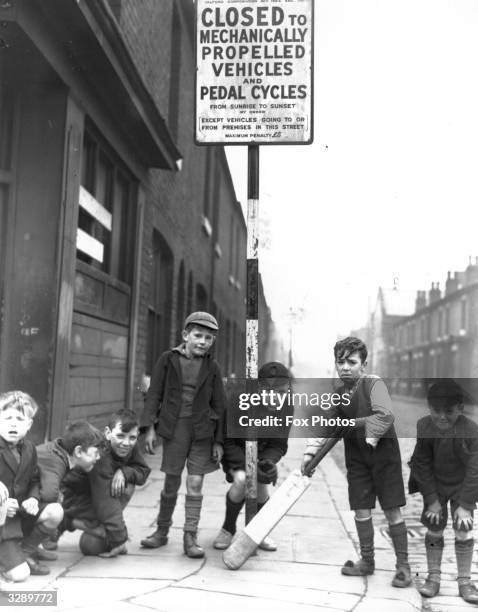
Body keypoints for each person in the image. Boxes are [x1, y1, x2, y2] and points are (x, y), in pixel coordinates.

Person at [301, 337, 411, 588]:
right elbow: (328, 425)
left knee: (392, 508)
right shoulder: (338, 393)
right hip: (357, 457)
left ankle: (403, 566)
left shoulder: (374, 384)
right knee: (361, 508)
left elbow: (385, 415)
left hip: (383, 455)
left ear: (363, 364)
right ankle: (367, 561)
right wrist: (311, 456)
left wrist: (352, 424)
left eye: (352, 362)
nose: (345, 367)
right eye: (340, 362)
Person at [140, 312, 225, 558]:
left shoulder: (212, 367)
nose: (203, 342)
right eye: (198, 335)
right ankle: (162, 531)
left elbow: (220, 405)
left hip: (202, 433)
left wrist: (219, 441)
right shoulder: (168, 360)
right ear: (185, 335)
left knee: (195, 482)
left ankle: (190, 536)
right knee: (171, 481)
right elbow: (154, 394)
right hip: (174, 429)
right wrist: (149, 429)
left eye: (209, 338)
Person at [409, 379, 478, 604]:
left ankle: (465, 581)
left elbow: (475, 468)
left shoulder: (470, 429)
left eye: (448, 412)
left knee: (464, 529)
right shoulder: (424, 426)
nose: (441, 417)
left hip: (462, 485)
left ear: (461, 408)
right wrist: (431, 500)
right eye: (435, 411)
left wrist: (466, 505)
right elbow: (421, 463)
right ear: (428, 408)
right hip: (436, 484)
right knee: (434, 526)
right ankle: (433, 577)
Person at [213, 361, 291, 551]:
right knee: (242, 480)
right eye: (268, 392)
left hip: (262, 453)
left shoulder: (287, 406)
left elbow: (279, 443)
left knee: (261, 485)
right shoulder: (238, 400)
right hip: (237, 453)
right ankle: (228, 528)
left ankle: (258, 532)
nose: (275, 398)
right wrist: (249, 466)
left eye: (281, 393)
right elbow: (229, 441)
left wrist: (268, 461)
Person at [60, 409, 151, 557]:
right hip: (73, 499)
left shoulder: (129, 446)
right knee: (90, 546)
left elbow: (143, 471)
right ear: (108, 433)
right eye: (120, 436)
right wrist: (119, 540)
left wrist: (124, 472)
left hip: (94, 494)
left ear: (137, 436)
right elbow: (105, 501)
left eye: (132, 438)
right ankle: (67, 520)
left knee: (127, 483)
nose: (126, 443)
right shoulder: (100, 457)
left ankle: (102, 526)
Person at [0, 391, 63, 582]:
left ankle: (24, 551)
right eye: (7, 418)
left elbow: (35, 478)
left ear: (28, 425)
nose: (13, 423)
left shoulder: (29, 448)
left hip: (20, 515)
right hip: (2, 523)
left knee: (55, 511)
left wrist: (33, 499)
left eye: (19, 419)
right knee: (20, 575)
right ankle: (10, 557)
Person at [36, 420, 104, 553]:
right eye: (95, 453)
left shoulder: (57, 451)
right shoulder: (56, 463)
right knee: (53, 509)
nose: (99, 457)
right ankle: (23, 551)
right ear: (78, 452)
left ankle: (31, 548)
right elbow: (49, 495)